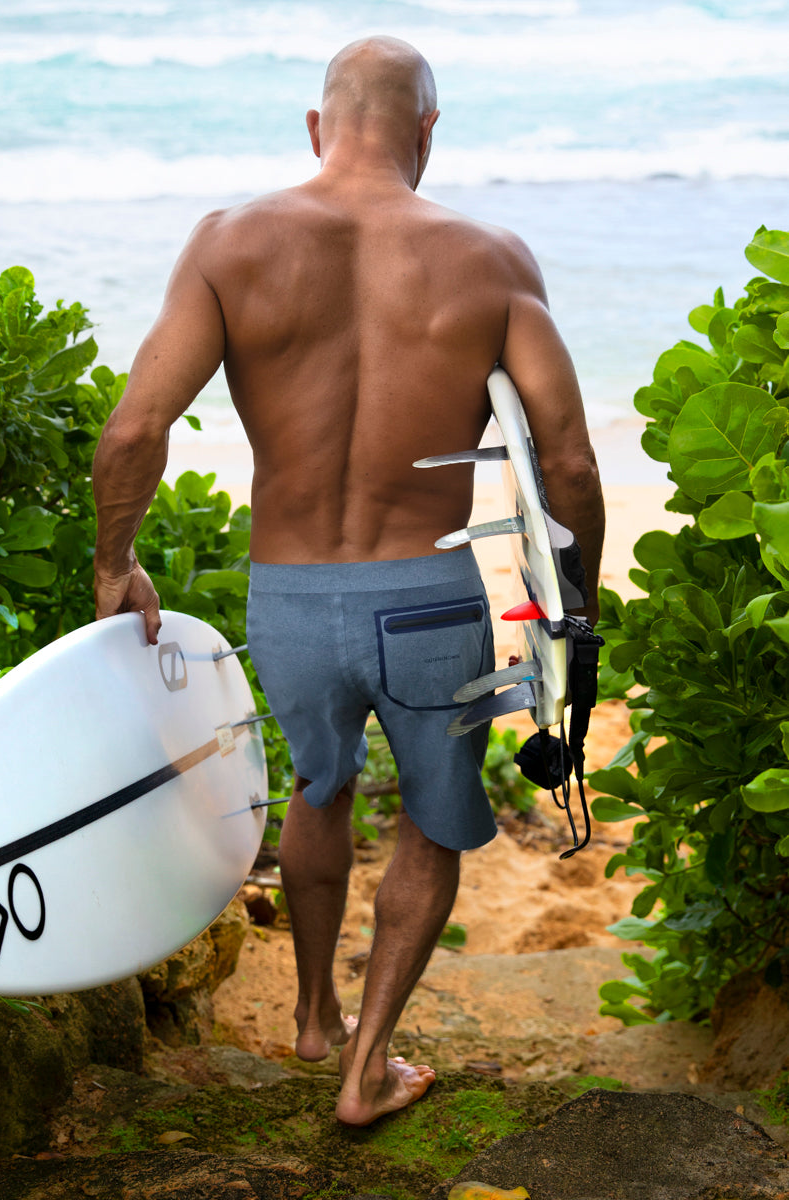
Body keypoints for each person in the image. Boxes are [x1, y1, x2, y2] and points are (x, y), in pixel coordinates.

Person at [92, 35, 604, 1126]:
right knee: (430, 822)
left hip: (287, 596)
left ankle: (315, 1014)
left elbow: (135, 427)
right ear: (427, 133)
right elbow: (566, 462)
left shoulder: (228, 243)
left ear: (317, 128)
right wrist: (579, 606)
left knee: (318, 789)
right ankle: (367, 1066)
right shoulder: (492, 260)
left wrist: (114, 563)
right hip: (428, 600)